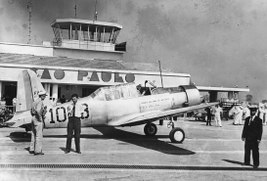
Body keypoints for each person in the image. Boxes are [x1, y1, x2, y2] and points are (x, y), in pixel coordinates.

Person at [241, 103, 263, 168]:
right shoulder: (247, 119)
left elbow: (260, 130)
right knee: (247, 150)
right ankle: (247, 162)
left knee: (255, 151)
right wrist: (243, 136)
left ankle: (256, 164)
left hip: (254, 138)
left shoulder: (259, 120)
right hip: (248, 138)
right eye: (251, 111)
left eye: (253, 111)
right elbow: (245, 128)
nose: (252, 112)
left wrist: (259, 138)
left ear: (255, 112)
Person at [29, 91, 47, 155]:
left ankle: (32, 149)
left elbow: (31, 111)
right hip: (37, 118)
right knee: (39, 135)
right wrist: (40, 118)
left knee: (33, 134)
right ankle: (38, 151)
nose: (45, 97)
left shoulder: (35, 102)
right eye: (44, 96)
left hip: (33, 118)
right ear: (42, 96)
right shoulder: (40, 102)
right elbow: (38, 110)